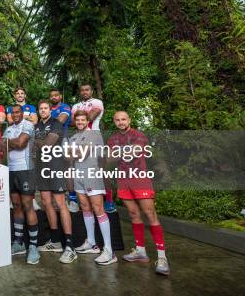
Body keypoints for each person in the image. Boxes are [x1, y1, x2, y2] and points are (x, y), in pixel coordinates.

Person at [107, 111, 169, 276]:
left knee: (150, 214)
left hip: (139, 178)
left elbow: (134, 152)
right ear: (114, 122)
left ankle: (162, 258)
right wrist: (120, 152)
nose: (121, 122)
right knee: (133, 214)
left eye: (123, 119)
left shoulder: (139, 135)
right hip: (123, 179)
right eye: (117, 120)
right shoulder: (112, 138)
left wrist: (118, 152)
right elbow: (109, 159)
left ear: (129, 120)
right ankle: (140, 251)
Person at [68, 111, 116, 265]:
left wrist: (74, 153)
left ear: (88, 121)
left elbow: (82, 153)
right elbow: (68, 156)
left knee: (98, 209)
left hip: (92, 174)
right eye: (78, 120)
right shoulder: (73, 137)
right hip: (78, 174)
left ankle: (109, 251)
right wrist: (74, 153)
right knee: (85, 207)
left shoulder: (94, 134)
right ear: (75, 122)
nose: (80, 122)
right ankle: (91, 243)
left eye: (83, 119)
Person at [34, 100, 76, 263]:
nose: (43, 111)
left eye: (46, 108)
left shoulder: (56, 123)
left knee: (60, 203)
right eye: (41, 109)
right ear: (38, 111)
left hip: (56, 165)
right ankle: (56, 241)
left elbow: (46, 145)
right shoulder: (37, 126)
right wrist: (39, 143)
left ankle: (70, 247)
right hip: (41, 168)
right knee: (46, 202)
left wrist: (36, 142)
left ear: (51, 110)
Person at [0, 105, 40, 265]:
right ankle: (19, 243)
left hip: (26, 170)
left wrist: (8, 143)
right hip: (11, 171)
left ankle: (33, 247)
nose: (15, 114)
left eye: (18, 112)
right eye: (12, 112)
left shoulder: (28, 125)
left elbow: (21, 144)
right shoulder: (8, 129)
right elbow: (1, 147)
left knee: (27, 205)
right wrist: (11, 142)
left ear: (22, 114)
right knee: (15, 205)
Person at [72, 83, 115, 213]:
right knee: (80, 168)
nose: (85, 92)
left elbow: (90, 118)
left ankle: (109, 201)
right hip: (80, 138)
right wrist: (81, 118)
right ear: (80, 92)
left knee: (100, 169)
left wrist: (80, 118)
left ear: (91, 91)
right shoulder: (75, 105)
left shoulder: (97, 102)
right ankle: (81, 200)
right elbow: (73, 122)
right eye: (82, 90)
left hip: (94, 136)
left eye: (87, 90)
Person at [49, 88, 78, 213]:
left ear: (60, 96)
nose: (54, 97)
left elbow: (60, 120)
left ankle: (73, 199)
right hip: (50, 140)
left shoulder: (65, 106)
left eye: (56, 95)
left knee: (67, 170)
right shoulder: (49, 108)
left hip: (62, 140)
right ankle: (58, 198)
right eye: (52, 96)